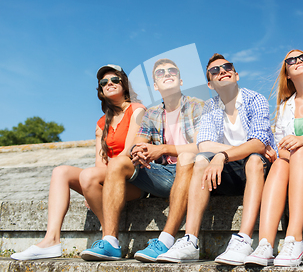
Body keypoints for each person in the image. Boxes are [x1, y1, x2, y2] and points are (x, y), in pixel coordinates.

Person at [11, 64, 145, 261]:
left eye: (115, 79)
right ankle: (51, 240)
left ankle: (110, 239)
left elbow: (128, 152)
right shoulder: (101, 123)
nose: (109, 83)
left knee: (88, 175)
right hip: (109, 178)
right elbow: (100, 162)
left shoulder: (137, 109)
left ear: (124, 84)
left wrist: (91, 179)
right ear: (100, 90)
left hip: (134, 180)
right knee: (61, 172)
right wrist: (91, 185)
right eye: (104, 82)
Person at [155, 53, 276, 265]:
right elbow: (205, 144)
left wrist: (224, 154)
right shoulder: (211, 107)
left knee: (255, 159)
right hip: (227, 171)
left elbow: (259, 144)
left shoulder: (255, 99)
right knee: (201, 159)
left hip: (259, 171)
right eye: (215, 70)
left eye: (227, 67)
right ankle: (190, 240)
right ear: (210, 84)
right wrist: (227, 153)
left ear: (236, 75)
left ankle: (244, 239)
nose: (222, 71)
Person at [80, 58, 204, 261]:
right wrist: (139, 151)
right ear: (155, 85)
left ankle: (165, 240)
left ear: (181, 81)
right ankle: (110, 241)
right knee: (119, 163)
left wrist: (162, 149)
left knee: (187, 157)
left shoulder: (197, 106)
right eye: (161, 73)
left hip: (192, 172)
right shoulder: (152, 113)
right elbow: (138, 143)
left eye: (172, 71)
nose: (167, 74)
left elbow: (203, 145)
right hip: (163, 176)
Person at [244, 50, 303, 267]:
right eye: (291, 60)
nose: (298, 61)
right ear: (287, 73)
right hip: (296, 168)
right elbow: (280, 148)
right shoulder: (286, 104)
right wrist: (287, 150)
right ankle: (265, 245)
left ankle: (294, 240)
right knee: (279, 164)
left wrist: (300, 141)